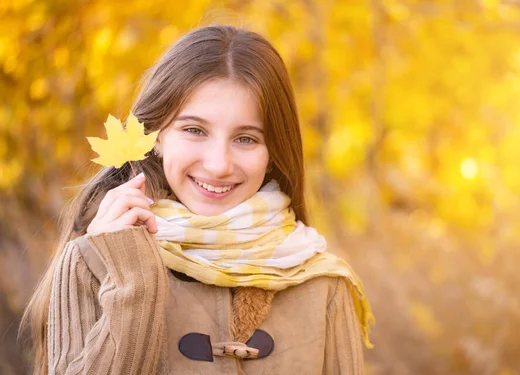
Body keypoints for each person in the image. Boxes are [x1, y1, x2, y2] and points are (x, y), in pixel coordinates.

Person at [22, 25, 373, 375]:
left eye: (246, 139)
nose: (218, 165)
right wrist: (134, 285)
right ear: (154, 136)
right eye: (194, 130)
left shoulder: (323, 284)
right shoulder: (92, 262)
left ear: (273, 152)